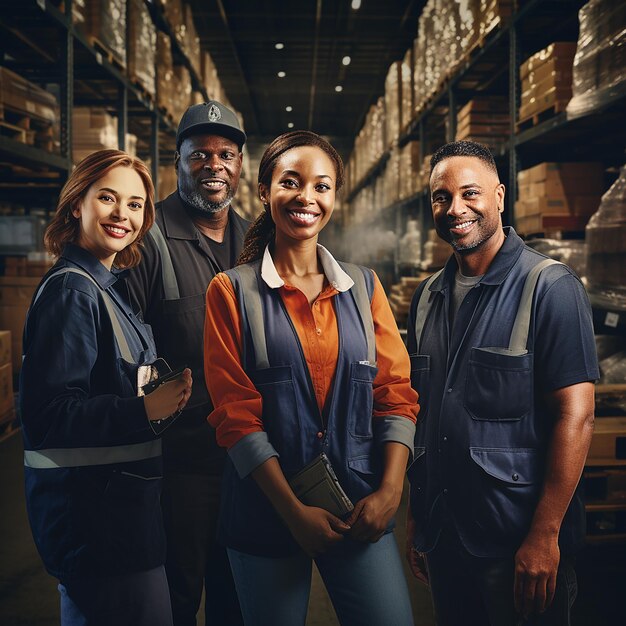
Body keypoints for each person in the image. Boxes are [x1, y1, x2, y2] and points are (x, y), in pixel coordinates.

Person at [204, 130, 418, 626]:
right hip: (266, 510)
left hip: (359, 503)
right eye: (291, 182)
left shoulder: (363, 288)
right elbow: (235, 416)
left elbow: (395, 394)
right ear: (263, 191)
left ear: (334, 198)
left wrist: (390, 492)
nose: (307, 197)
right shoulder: (231, 292)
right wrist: (292, 513)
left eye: (322, 186)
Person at [405, 140, 599, 625]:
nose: (455, 209)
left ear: (499, 196)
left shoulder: (550, 287)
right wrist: (418, 515)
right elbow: (423, 411)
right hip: (446, 533)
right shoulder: (428, 296)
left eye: (470, 193)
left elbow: (576, 415)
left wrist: (544, 534)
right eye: (440, 197)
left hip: (515, 541)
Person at [20, 149, 193, 626]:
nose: (123, 214)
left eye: (136, 205)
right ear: (78, 203)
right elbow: (49, 416)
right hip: (97, 528)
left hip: (123, 520)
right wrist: (144, 411)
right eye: (108, 198)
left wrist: (161, 395)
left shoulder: (105, 289)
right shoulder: (72, 290)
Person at [126, 101, 248, 626]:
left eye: (226, 154)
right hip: (181, 464)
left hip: (249, 460)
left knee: (238, 596)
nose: (213, 165)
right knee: (177, 596)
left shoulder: (259, 241)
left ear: (241, 164)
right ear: (177, 161)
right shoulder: (148, 241)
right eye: (200, 154)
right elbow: (124, 348)